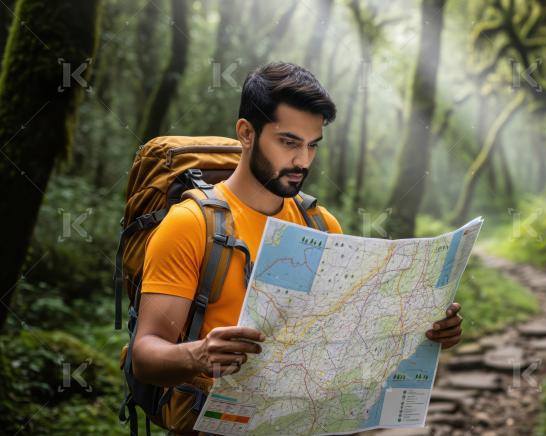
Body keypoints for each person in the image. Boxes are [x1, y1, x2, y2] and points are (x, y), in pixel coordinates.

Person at [131, 62, 465, 387]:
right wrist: (199, 355)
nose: (303, 161)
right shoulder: (190, 225)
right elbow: (145, 355)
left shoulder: (321, 225)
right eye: (289, 143)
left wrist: (425, 331)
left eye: (312, 146)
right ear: (246, 133)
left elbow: (347, 338)